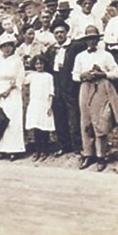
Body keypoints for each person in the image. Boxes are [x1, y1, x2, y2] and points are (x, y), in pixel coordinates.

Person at [72, 25, 118, 171]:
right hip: (85, 87)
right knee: (86, 121)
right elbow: (74, 75)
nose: (91, 42)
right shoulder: (80, 56)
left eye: (93, 39)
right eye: (88, 39)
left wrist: (103, 74)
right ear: (85, 41)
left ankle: (101, 155)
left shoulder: (105, 55)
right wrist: (83, 75)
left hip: (101, 88)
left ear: (97, 40)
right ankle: (88, 154)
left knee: (100, 121)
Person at [44, 20, 83, 156]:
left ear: (66, 33)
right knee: (59, 117)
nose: (59, 35)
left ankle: (78, 145)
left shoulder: (74, 47)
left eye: (62, 32)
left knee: (74, 117)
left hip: (70, 86)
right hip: (57, 87)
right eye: (56, 33)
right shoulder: (51, 50)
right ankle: (64, 145)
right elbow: (47, 68)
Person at [0, 33, 26, 160]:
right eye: (4, 46)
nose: (7, 49)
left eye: (9, 46)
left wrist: (9, 89)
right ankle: (0, 148)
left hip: (12, 91)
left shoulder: (17, 60)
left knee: (12, 120)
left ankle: (13, 149)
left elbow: (20, 77)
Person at [24, 54, 55, 161]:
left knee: (44, 129)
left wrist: (50, 106)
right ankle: (37, 151)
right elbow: (22, 80)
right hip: (35, 103)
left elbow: (51, 92)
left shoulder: (49, 76)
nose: (39, 66)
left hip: (45, 103)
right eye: (37, 64)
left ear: (44, 64)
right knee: (36, 128)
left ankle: (44, 151)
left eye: (41, 64)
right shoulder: (32, 76)